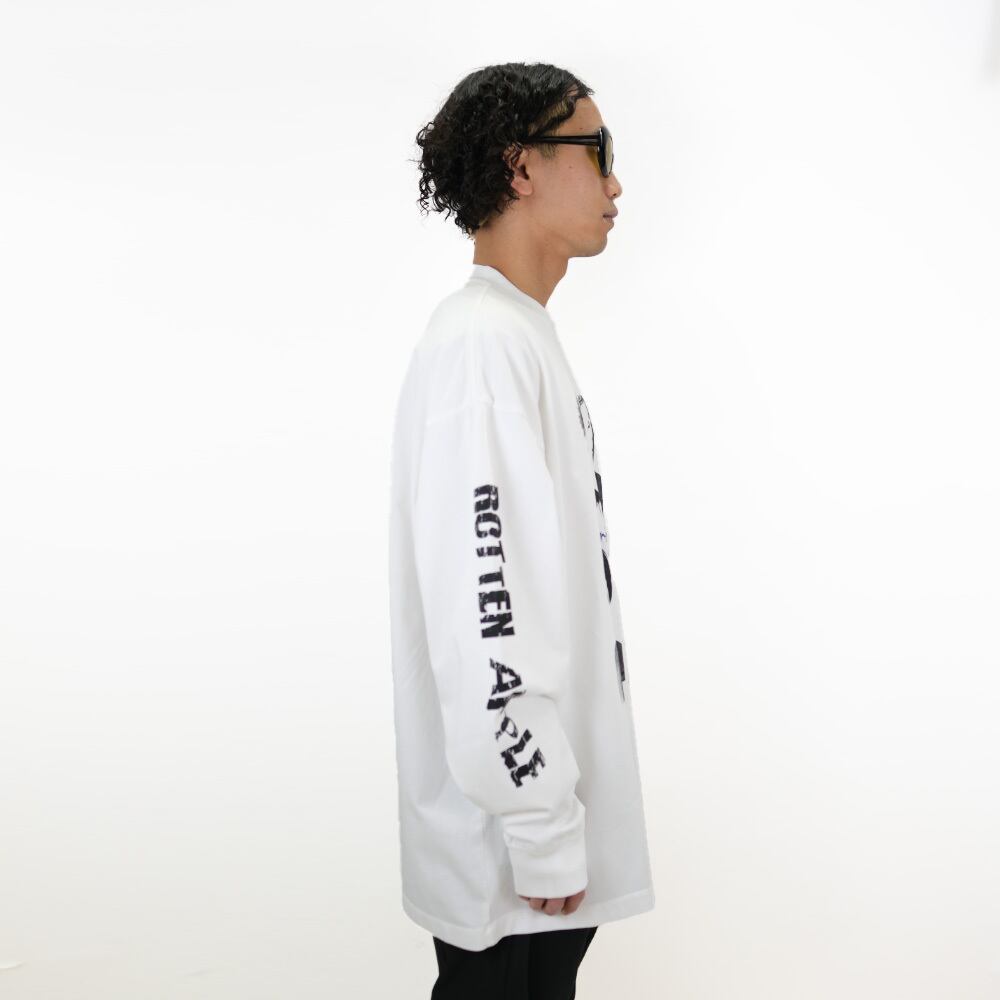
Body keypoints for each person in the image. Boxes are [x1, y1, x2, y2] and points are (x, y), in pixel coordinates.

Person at [388, 61, 654, 999]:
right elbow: (484, 605)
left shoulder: (515, 333)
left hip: (530, 846)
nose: (616, 181)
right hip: (510, 859)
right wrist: (540, 824)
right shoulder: (483, 345)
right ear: (521, 166)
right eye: (596, 149)